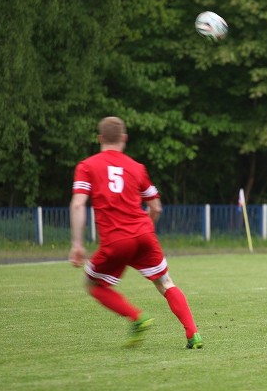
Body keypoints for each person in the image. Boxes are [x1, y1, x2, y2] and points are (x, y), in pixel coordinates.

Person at [69, 116, 203, 349]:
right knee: (166, 283)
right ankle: (193, 334)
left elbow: (78, 204)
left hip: (116, 240)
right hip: (143, 234)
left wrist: (77, 244)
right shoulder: (137, 168)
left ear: (100, 138)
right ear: (124, 139)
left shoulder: (87, 166)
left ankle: (137, 318)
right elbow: (156, 207)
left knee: (93, 285)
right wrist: (146, 230)